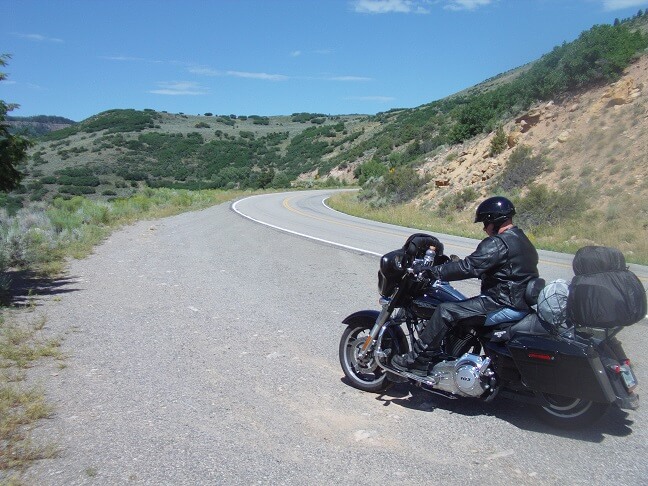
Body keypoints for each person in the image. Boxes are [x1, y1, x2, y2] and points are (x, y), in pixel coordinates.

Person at [391, 196, 539, 376]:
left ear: (495, 220)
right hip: (518, 302)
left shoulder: (498, 243)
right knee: (459, 307)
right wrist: (455, 266)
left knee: (445, 311)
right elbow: (497, 268)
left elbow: (469, 268)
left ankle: (417, 361)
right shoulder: (523, 240)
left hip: (501, 303)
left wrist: (432, 271)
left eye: (486, 222)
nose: (484, 228)